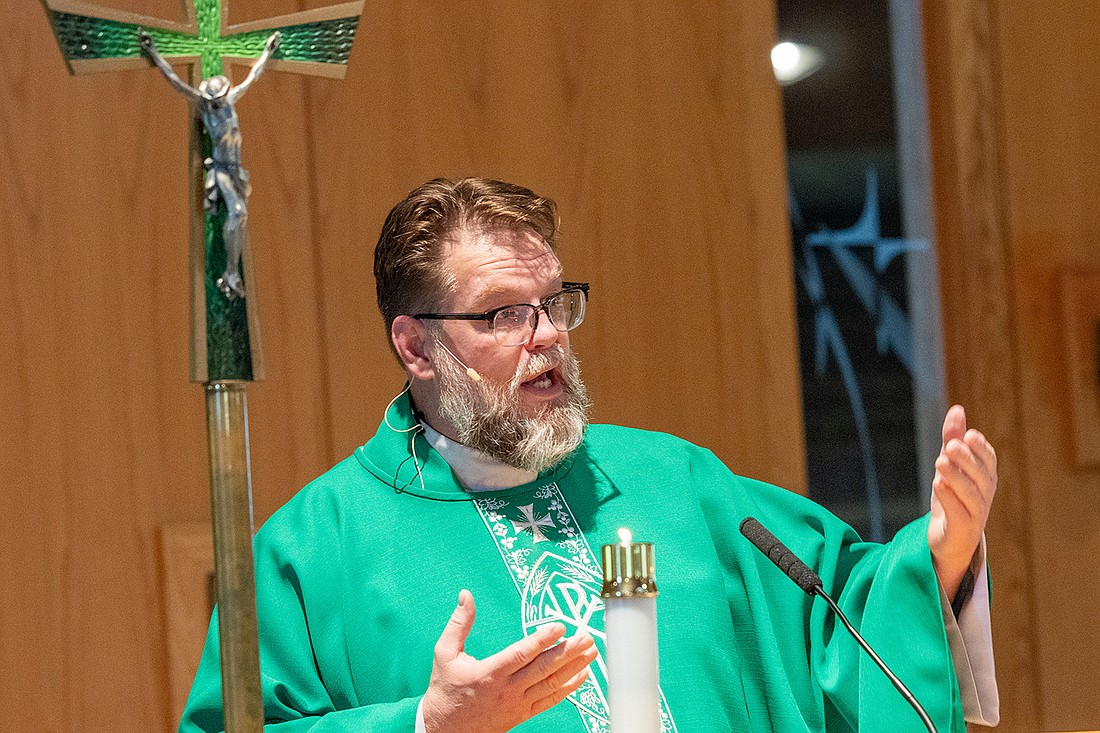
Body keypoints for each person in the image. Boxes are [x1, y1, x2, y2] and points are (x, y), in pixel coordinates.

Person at [179, 178, 999, 732]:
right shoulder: (310, 552)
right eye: (501, 313)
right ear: (415, 346)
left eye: (554, 303)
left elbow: (842, 617)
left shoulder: (676, 481)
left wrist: (939, 557)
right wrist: (424, 724)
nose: (545, 337)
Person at [139, 29, 281, 300]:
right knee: (238, 214)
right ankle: (230, 271)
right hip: (222, 169)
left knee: (241, 217)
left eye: (219, 98)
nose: (216, 103)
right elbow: (176, 81)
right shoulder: (205, 109)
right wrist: (154, 52)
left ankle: (232, 271)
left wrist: (268, 50)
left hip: (236, 170)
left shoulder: (230, 101)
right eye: (213, 100)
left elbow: (253, 76)